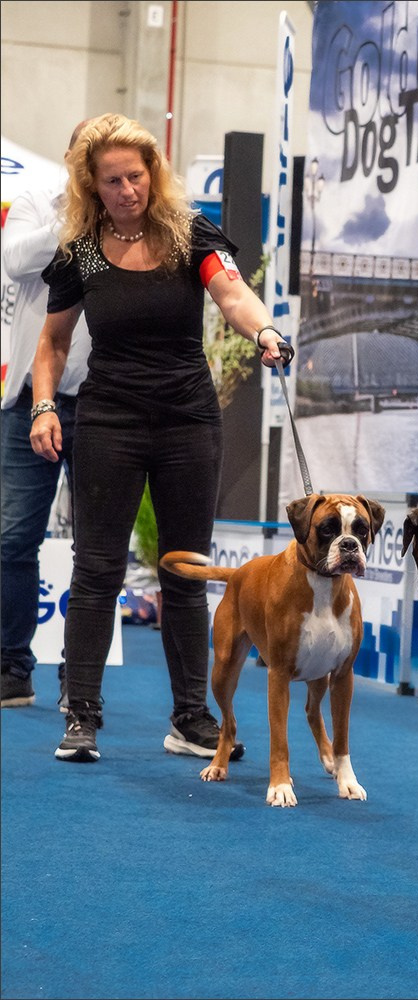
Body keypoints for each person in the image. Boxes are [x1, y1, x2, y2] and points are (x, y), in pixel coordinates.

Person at [29, 112, 292, 763]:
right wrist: (42, 405)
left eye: (136, 176)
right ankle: (81, 715)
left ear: (154, 174)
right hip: (109, 420)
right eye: (112, 181)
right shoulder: (83, 251)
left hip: (187, 420)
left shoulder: (187, 233)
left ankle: (190, 717)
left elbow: (233, 296)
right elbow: (53, 342)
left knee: (183, 568)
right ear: (92, 185)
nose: (127, 191)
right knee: (97, 570)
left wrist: (263, 330)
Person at [1, 122, 92, 711]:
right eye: (88, 156)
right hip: (28, 399)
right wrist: (79, 218)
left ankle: (78, 682)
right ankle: (11, 666)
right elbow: (14, 260)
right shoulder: (38, 197)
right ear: (71, 157)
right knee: (12, 538)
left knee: (97, 546)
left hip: (107, 401)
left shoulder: (136, 217)